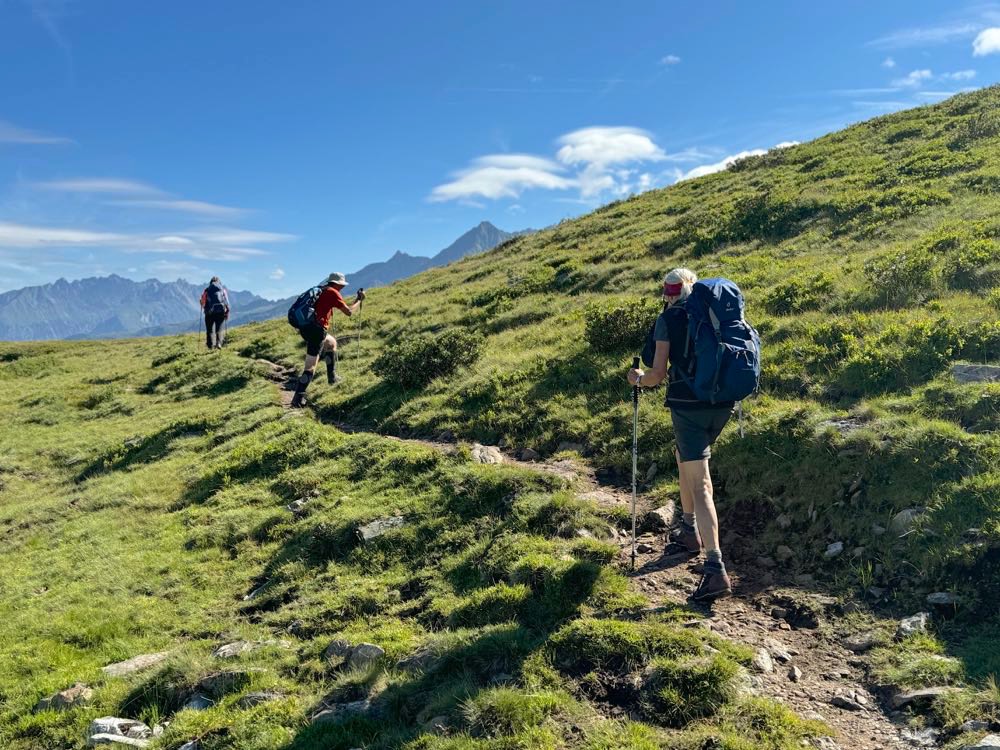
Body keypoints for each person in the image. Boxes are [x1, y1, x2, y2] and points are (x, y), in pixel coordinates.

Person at [628, 268, 734, 602]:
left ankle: (715, 568)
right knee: (685, 459)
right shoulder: (716, 313)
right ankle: (689, 530)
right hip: (722, 403)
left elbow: (657, 375)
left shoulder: (669, 319)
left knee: (700, 483)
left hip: (688, 407)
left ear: (669, 292)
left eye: (667, 290)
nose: (667, 295)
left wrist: (637, 379)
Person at [290, 272, 365, 408]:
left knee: (331, 343)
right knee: (311, 366)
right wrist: (359, 300)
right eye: (341, 285)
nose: (342, 287)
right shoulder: (332, 292)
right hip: (316, 331)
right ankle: (297, 399)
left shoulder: (322, 290)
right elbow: (348, 312)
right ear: (338, 283)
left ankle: (332, 378)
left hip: (307, 328)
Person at [200, 276, 230, 350]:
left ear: (210, 282)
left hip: (209, 313)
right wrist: (227, 312)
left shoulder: (207, 290)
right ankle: (219, 343)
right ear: (219, 282)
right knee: (219, 328)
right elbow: (227, 302)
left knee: (209, 329)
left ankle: (210, 346)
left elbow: (203, 303)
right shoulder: (223, 290)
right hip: (220, 312)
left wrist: (201, 303)